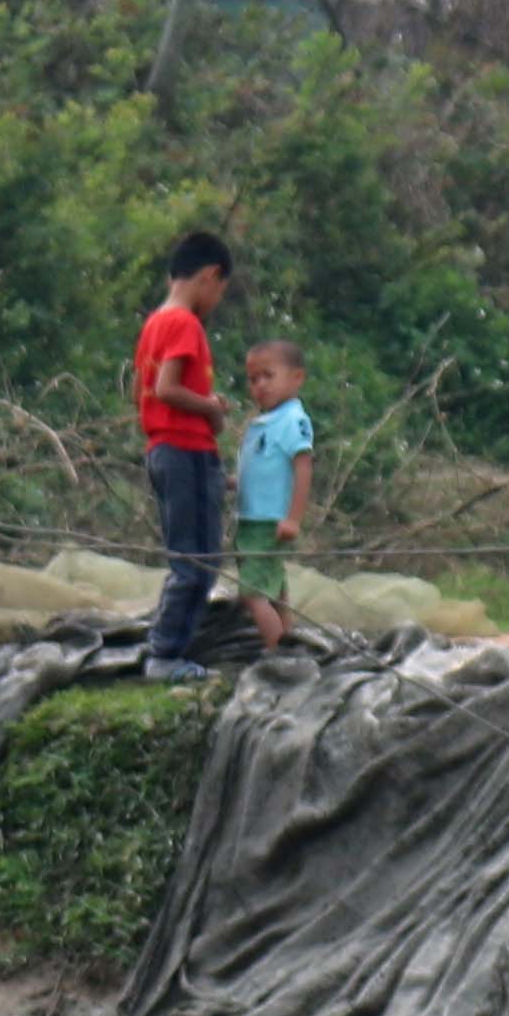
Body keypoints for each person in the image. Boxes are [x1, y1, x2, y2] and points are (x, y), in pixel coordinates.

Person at [129, 231, 234, 680]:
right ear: (210, 276)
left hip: (167, 449)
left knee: (197, 558)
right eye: (221, 290)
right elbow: (165, 389)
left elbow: (141, 393)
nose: (217, 300)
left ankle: (175, 651)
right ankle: (166, 655)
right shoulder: (185, 324)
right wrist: (210, 407)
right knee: (195, 563)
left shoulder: (154, 323)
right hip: (183, 451)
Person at [237, 337, 318, 634]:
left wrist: (293, 519)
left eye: (268, 376)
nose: (260, 385)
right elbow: (265, 469)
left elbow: (303, 469)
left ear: (296, 378)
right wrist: (234, 483)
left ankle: (275, 654)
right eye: (253, 379)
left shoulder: (293, 420)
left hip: (269, 521)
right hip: (251, 519)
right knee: (275, 586)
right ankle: (288, 639)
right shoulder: (264, 422)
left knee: (252, 593)